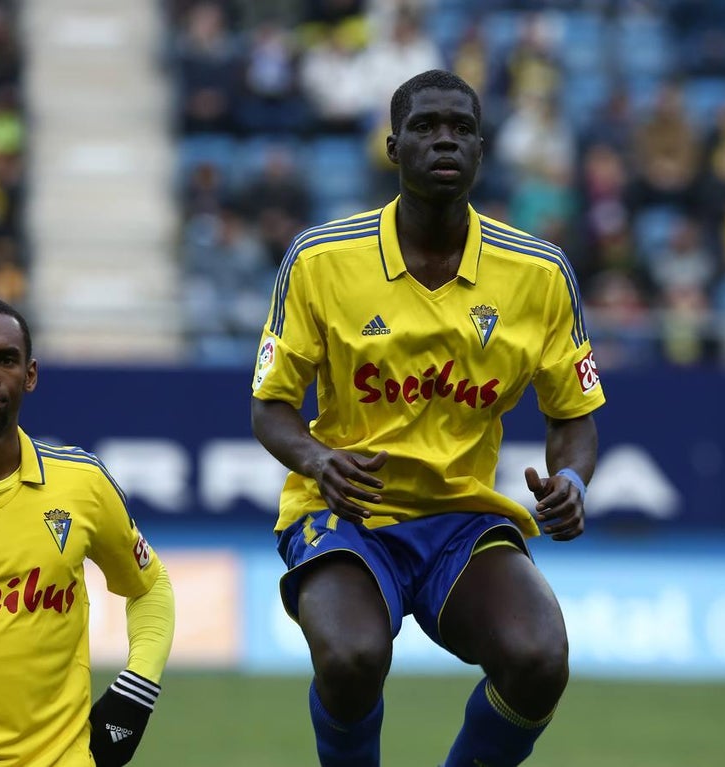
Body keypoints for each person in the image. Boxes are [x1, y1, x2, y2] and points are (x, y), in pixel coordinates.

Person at [251, 69, 605, 767]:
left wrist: (573, 480)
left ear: (482, 149)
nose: (444, 139)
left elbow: (575, 419)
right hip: (347, 512)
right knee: (351, 656)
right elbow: (270, 407)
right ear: (391, 147)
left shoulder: (539, 272)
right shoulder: (321, 259)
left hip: (462, 520)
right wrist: (320, 460)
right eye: (424, 126)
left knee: (540, 657)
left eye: (462, 128)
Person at [0, 297, 175, 767]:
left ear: (30, 374)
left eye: (5, 359)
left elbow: (150, 586)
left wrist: (137, 691)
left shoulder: (82, 482)